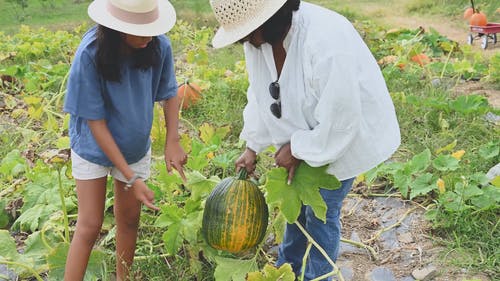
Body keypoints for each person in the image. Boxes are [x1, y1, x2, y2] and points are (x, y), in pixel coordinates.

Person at [209, 0, 401, 280]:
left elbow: (341, 117)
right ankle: (287, 268)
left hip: (344, 136)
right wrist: (252, 145)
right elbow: (260, 94)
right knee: (296, 209)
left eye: (250, 31)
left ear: (272, 17)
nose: (247, 40)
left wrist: (298, 148)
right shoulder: (258, 41)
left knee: (321, 213)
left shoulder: (325, 38)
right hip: (304, 135)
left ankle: (319, 275)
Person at [62, 0, 186, 280]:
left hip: (134, 145)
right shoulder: (90, 53)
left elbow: (169, 94)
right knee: (90, 224)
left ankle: (123, 278)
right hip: (93, 148)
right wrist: (131, 177)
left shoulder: (158, 45)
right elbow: (97, 124)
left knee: (129, 220)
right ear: (116, 28)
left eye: (150, 29)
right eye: (139, 30)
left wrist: (172, 141)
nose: (148, 36)